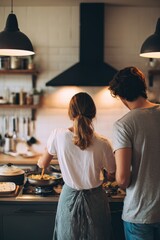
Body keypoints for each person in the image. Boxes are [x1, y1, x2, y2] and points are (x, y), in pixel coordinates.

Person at [37, 92, 116, 240]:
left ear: (70, 113)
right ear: (93, 113)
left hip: (69, 198)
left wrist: (46, 150)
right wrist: (105, 175)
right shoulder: (103, 143)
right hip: (96, 201)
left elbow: (43, 163)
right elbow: (112, 173)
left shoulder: (57, 135)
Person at [108, 66, 160, 240]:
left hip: (140, 213)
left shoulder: (123, 125)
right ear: (142, 87)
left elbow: (122, 180)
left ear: (121, 97)